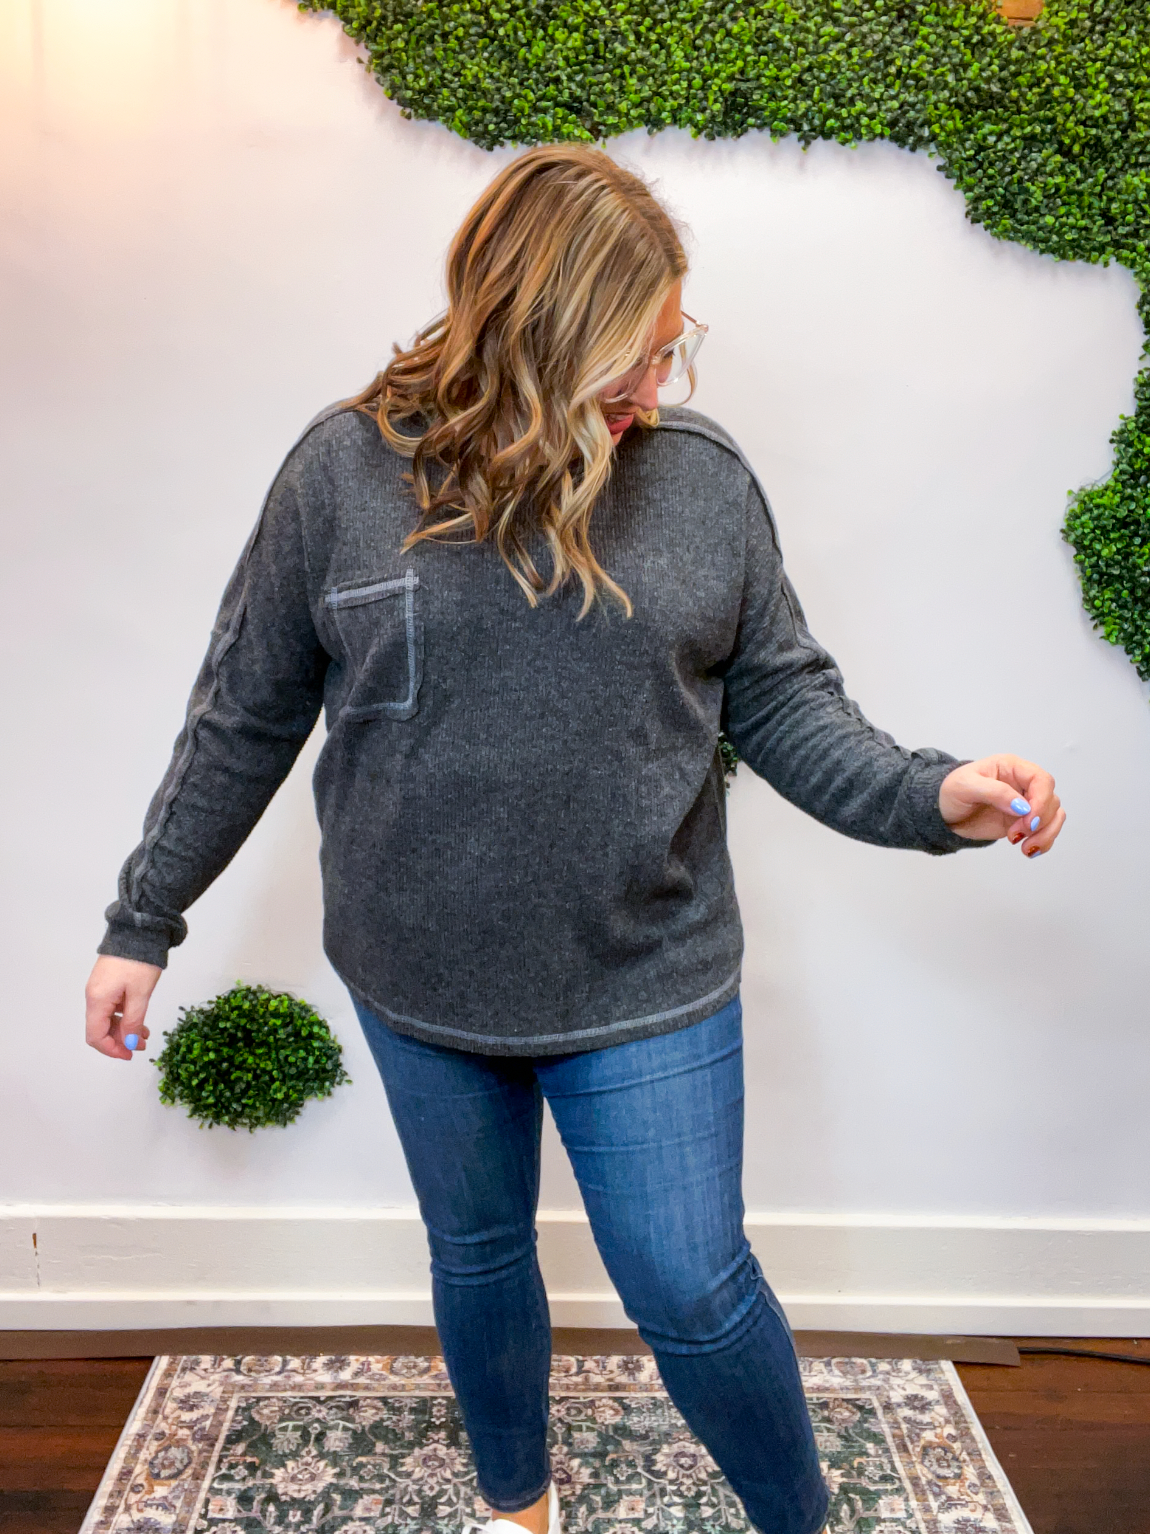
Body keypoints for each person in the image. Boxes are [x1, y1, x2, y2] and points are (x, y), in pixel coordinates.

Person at [85, 144, 1065, 1534]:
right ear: (532, 329)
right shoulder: (342, 475)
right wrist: (144, 919)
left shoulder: (700, 483)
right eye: (632, 358)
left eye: (671, 349)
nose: (655, 391)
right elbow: (243, 713)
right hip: (419, 973)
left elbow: (785, 699)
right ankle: (517, 1508)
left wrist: (932, 794)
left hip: (644, 971)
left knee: (690, 1285)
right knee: (479, 1255)